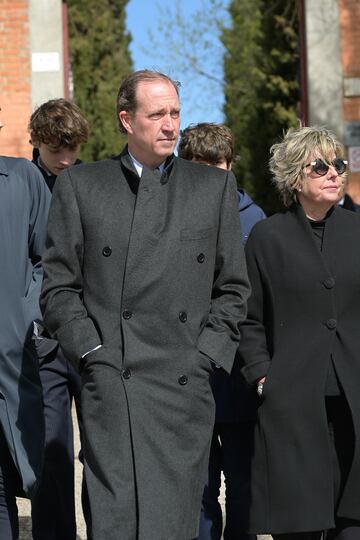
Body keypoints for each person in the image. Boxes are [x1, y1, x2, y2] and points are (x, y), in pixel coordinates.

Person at [40, 70, 250, 540]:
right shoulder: (83, 187)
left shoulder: (212, 189)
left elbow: (234, 289)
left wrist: (206, 357)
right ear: (126, 120)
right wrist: (92, 354)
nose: (170, 125)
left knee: (175, 521)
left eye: (175, 113)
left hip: (183, 387)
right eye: (157, 114)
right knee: (116, 520)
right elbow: (58, 287)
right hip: (114, 384)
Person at [237, 125, 360, 540]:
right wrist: (262, 373)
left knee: (353, 519)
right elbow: (249, 316)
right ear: (294, 177)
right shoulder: (267, 237)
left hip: (355, 397)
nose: (334, 174)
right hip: (292, 399)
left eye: (338, 165)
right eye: (320, 166)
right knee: (299, 521)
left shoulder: (358, 231)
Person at [178, 122, 265, 540]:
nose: (209, 177)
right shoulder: (165, 214)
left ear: (230, 168)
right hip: (187, 372)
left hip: (238, 372)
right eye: (198, 167)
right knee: (198, 486)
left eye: (217, 167)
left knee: (246, 483)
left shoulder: (254, 222)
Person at [28, 98, 91, 540]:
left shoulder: (92, 182)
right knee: (52, 450)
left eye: (72, 151)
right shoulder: (21, 185)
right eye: (56, 152)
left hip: (90, 334)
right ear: (36, 143)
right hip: (42, 341)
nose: (66, 161)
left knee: (103, 450)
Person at [0, 106, 50, 538]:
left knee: (25, 469)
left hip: (14, 353)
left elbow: (48, 258)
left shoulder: (22, 178)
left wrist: (27, 316)